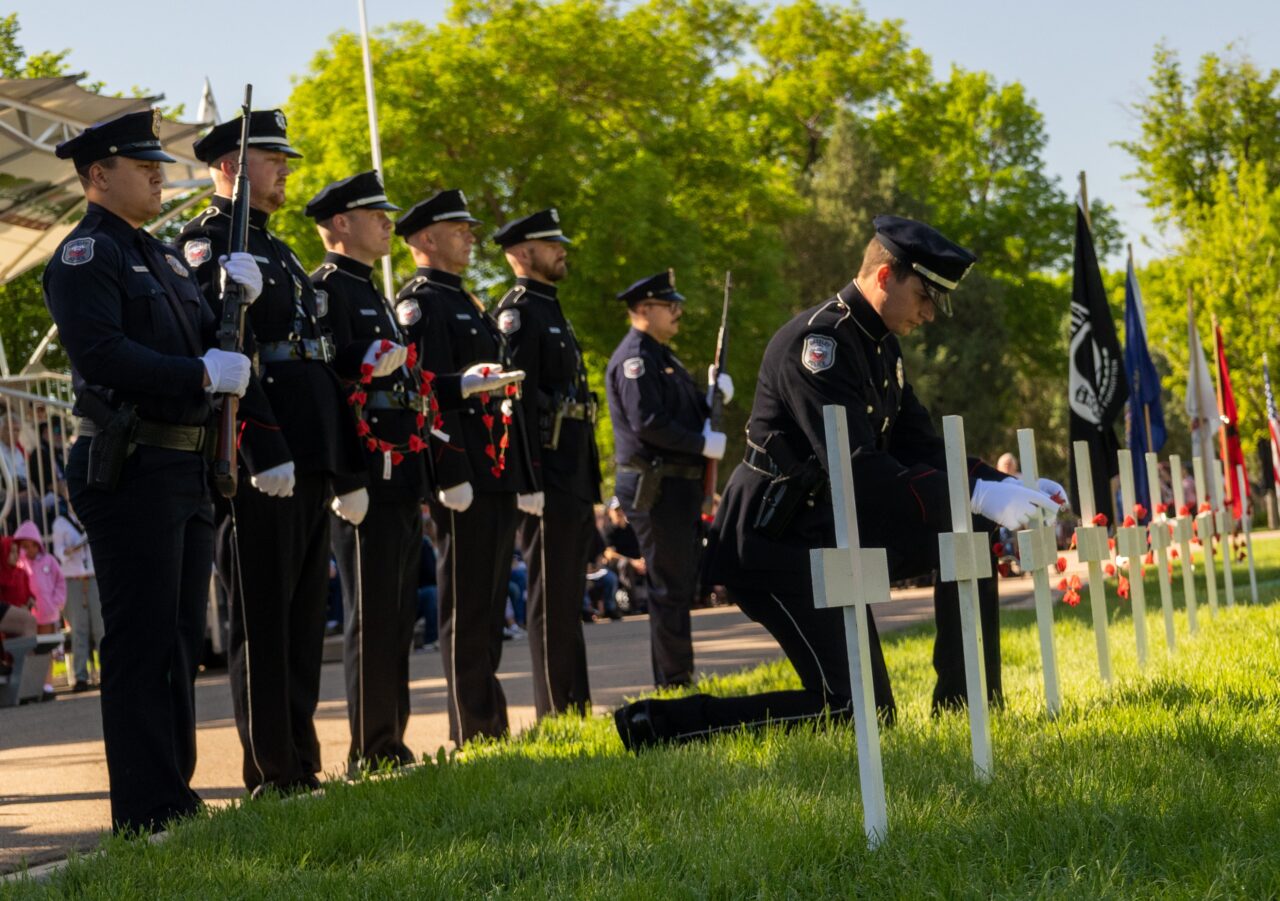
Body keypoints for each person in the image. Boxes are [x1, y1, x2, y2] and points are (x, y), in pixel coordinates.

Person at [613, 215, 1062, 750]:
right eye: (924, 296)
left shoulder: (881, 347)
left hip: (829, 531)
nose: (929, 314)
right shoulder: (817, 345)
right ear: (885, 275)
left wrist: (1007, 485)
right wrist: (977, 494)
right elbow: (857, 468)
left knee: (967, 532)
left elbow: (921, 446)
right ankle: (663, 726)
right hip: (774, 544)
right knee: (860, 713)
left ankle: (967, 709)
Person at [44, 109, 258, 831]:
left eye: (158, 165)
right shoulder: (86, 256)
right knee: (139, 640)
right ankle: (144, 807)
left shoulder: (164, 257)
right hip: (131, 462)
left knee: (176, 637)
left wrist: (238, 305)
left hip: (187, 465)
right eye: (144, 167)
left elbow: (211, 343)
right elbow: (101, 354)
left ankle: (176, 791)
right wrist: (200, 372)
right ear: (99, 176)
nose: (160, 176)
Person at [178, 110, 366, 796]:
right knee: (261, 620)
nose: (285, 168)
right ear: (230, 165)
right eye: (272, 158)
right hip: (264, 458)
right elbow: (225, 354)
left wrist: (342, 462)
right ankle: (272, 772)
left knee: (302, 619)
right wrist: (262, 445)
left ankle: (301, 758)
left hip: (309, 451)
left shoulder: (278, 250)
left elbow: (316, 357)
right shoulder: (205, 245)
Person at [395, 189, 536, 743]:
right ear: (426, 239)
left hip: (492, 468)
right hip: (463, 474)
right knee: (467, 604)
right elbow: (424, 395)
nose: (471, 236)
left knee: (491, 599)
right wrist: (449, 473)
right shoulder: (422, 302)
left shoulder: (467, 299)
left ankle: (489, 721)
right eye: (459, 229)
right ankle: (472, 727)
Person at [494, 209, 602, 718]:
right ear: (520, 253)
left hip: (572, 469)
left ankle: (575, 705)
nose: (561, 248)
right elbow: (513, 400)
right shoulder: (519, 311)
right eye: (548, 243)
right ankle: (557, 710)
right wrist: (527, 477)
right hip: (548, 472)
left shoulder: (551, 307)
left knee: (568, 595)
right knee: (549, 596)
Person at [604, 270, 732, 686]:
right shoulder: (636, 358)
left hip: (676, 486)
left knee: (678, 583)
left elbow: (685, 412)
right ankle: (674, 679)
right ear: (643, 310)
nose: (677, 313)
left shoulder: (663, 356)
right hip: (655, 487)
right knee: (667, 587)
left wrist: (713, 395)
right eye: (668, 306)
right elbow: (649, 424)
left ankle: (678, 672)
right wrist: (701, 445)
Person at [14, 520, 66, 699]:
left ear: (38, 544)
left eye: (31, 545)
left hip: (48, 615)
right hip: (28, 616)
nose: (28, 550)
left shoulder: (49, 561)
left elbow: (60, 582)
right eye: (24, 546)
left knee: (46, 650)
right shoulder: (19, 564)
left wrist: (56, 602)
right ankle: (32, 687)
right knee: (30, 651)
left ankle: (48, 686)